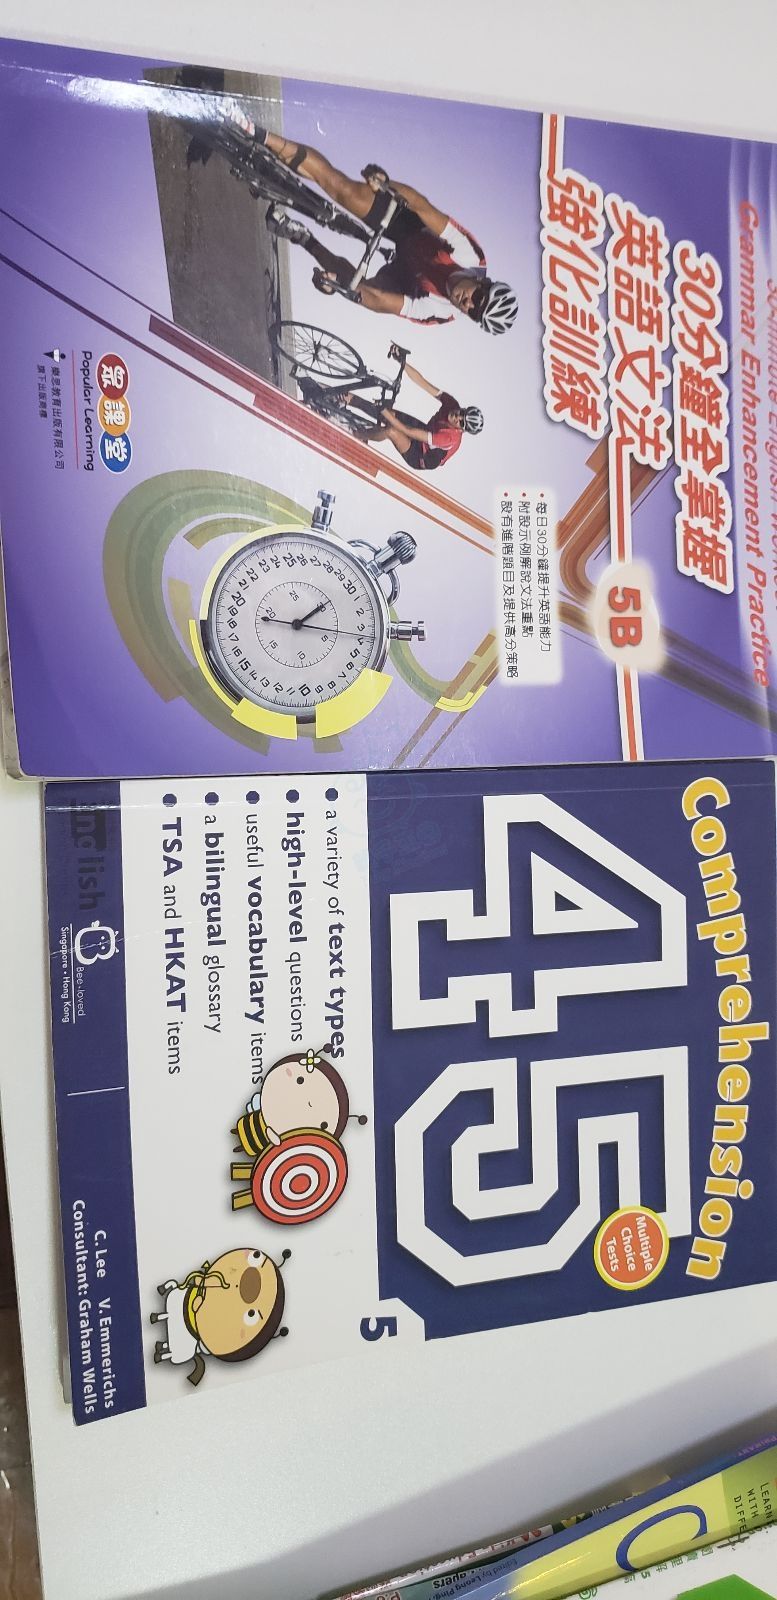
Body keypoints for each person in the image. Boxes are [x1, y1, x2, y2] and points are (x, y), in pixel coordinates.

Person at [225, 106, 518, 333]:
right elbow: (422, 206)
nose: (467, 303)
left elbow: (380, 301)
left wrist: (341, 287)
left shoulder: (439, 311)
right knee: (343, 189)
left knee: (355, 286)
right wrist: (386, 185)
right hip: (408, 229)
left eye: (473, 312)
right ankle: (256, 132)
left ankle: (301, 237)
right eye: (477, 299)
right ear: (483, 283)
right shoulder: (469, 255)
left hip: (403, 279)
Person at [362, 346, 483, 470]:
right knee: (387, 414)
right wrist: (402, 362)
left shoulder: (449, 438)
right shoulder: (451, 404)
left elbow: (408, 431)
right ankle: (350, 399)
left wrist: (383, 409)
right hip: (426, 433)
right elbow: (422, 382)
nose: (458, 417)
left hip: (420, 456)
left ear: (461, 430)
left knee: (391, 431)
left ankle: (358, 436)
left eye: (461, 423)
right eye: (462, 413)